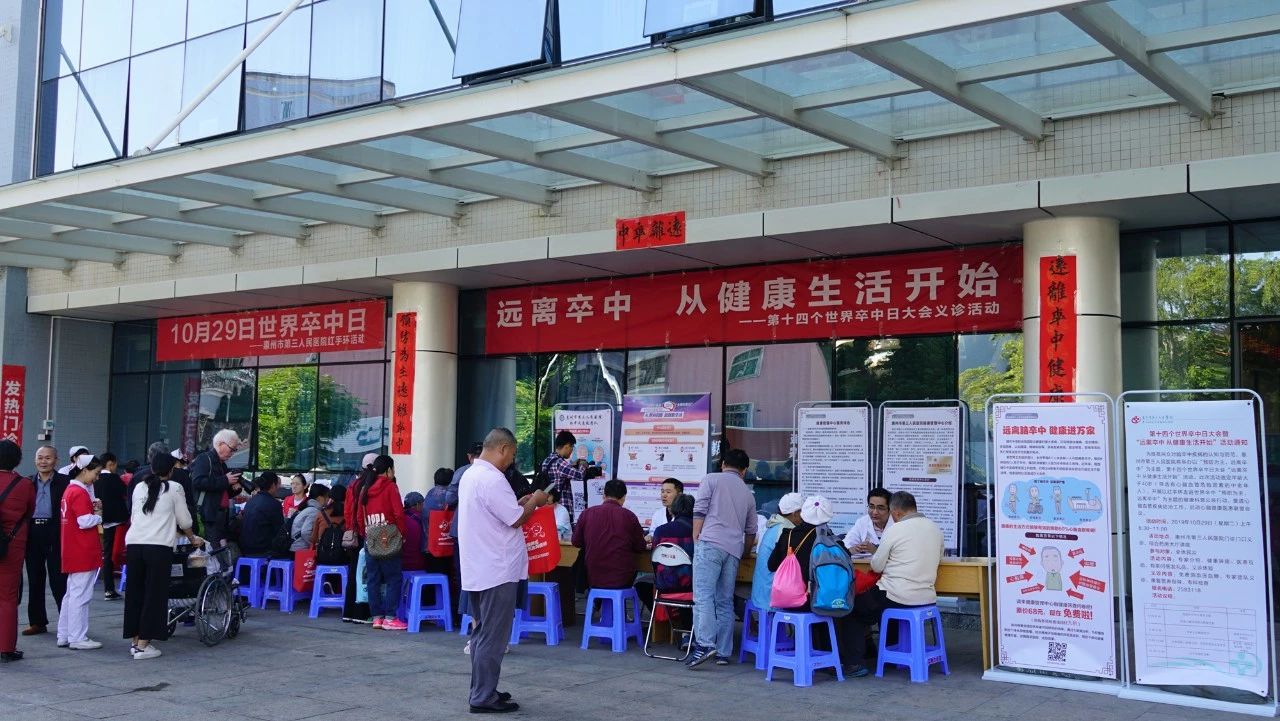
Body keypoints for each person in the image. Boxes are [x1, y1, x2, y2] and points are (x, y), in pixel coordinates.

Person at [458, 427, 547, 714]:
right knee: (493, 637)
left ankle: (482, 690)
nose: (512, 460)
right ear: (503, 448)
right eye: (512, 453)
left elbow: (503, 512)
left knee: (482, 634)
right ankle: (483, 696)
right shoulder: (493, 478)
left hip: (479, 567)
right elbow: (516, 519)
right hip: (496, 569)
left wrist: (520, 504)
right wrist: (536, 501)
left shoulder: (471, 474)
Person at [846, 491, 945, 675]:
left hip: (897, 594)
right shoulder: (935, 529)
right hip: (927, 597)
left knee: (853, 607)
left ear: (896, 512)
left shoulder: (895, 530)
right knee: (881, 604)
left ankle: (855, 663)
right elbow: (938, 559)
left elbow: (876, 565)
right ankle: (891, 655)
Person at [123, 453, 202, 660]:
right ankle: (144, 645)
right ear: (172, 470)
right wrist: (192, 538)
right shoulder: (175, 488)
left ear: (151, 468)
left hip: (134, 544)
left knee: (135, 594)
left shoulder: (139, 487)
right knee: (154, 594)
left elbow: (134, 515)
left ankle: (135, 641)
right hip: (158, 547)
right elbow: (185, 520)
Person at [687, 448, 756, 669]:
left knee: (703, 597)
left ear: (723, 464)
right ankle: (723, 652)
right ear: (744, 470)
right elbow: (751, 530)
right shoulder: (748, 494)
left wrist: (696, 536)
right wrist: (744, 552)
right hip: (733, 550)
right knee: (725, 601)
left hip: (710, 543)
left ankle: (705, 644)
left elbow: (700, 509)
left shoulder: (711, 479)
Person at [59, 454, 104, 650]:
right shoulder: (79, 492)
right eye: (96, 473)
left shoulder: (70, 490)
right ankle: (77, 637)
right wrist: (99, 516)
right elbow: (84, 521)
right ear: (85, 470)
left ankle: (65, 634)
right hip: (83, 549)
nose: (97, 477)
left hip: (72, 548)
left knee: (71, 594)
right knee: (81, 595)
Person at [358, 455, 407, 631]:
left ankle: (377, 618)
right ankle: (390, 617)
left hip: (370, 537)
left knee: (373, 579)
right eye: (393, 469)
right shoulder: (390, 487)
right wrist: (402, 534)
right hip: (389, 537)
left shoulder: (365, 488)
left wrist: (366, 534)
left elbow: (360, 516)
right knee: (394, 578)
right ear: (388, 470)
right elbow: (398, 513)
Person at [24, 445, 68, 636]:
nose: (43, 461)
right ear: (35, 460)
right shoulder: (27, 482)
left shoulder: (65, 482)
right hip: (32, 532)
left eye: (48, 458)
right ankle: (37, 622)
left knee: (59, 580)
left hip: (55, 531)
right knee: (34, 578)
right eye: (40, 457)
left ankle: (66, 623)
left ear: (56, 460)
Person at [572, 479, 647, 590]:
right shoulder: (629, 516)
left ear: (604, 495)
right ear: (623, 497)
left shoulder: (586, 513)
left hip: (593, 577)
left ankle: (596, 599)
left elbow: (576, 542)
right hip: (622, 578)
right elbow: (640, 547)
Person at [0, 440, 34, 662]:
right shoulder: (24, 485)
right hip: (11, 545)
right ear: (18, 460)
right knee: (7, 597)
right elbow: (29, 512)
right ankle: (6, 648)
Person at [190, 430, 246, 549]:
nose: (232, 453)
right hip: (208, 515)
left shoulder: (222, 464)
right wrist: (225, 480)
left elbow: (222, 491)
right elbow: (198, 481)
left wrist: (235, 488)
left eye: (235, 450)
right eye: (232, 449)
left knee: (219, 549)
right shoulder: (205, 459)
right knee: (212, 549)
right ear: (220, 444)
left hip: (221, 514)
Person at [751, 492, 802, 612]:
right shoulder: (786, 530)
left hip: (761, 593)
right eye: (802, 512)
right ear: (795, 513)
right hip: (773, 596)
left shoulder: (775, 525)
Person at [95, 452, 128, 601]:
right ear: (111, 464)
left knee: (106, 554)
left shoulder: (95, 479)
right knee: (116, 553)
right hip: (117, 522)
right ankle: (112, 588)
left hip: (101, 521)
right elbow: (125, 492)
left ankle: (108, 589)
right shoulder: (114, 478)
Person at [540, 430, 584, 525]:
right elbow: (580, 475)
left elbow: (559, 476)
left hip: (549, 506)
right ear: (567, 446)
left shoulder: (546, 461)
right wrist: (582, 464)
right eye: (572, 447)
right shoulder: (559, 463)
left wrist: (572, 465)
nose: (572, 451)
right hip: (562, 507)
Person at [238, 471, 283, 557]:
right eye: (278, 484)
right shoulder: (274, 504)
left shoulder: (251, 501)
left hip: (245, 549)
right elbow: (279, 531)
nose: (279, 487)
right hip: (263, 550)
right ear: (273, 485)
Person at [842, 488, 894, 556]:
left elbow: (900, 554)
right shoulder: (863, 522)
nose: (875, 512)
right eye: (871, 507)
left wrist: (876, 551)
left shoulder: (898, 524)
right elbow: (845, 546)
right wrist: (854, 549)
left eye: (880, 508)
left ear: (890, 509)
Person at [290, 483, 328, 552]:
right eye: (327, 497)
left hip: (296, 547)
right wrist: (315, 544)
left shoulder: (308, 508)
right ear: (320, 498)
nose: (328, 500)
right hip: (300, 549)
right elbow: (305, 532)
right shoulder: (314, 511)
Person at [401, 491, 427, 572]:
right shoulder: (421, 520)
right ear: (418, 505)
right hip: (418, 566)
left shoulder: (399, 518)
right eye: (423, 504)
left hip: (401, 565)